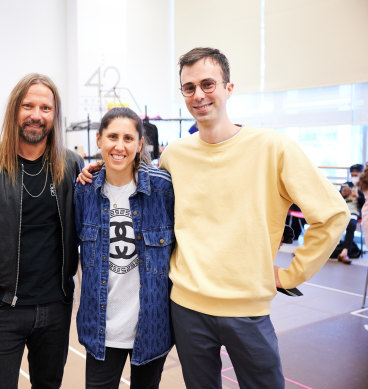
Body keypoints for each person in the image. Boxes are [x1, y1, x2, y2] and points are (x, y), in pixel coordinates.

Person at [79, 47, 349, 389]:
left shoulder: (273, 148)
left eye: (208, 84)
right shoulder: (176, 154)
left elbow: (333, 214)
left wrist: (294, 273)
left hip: (247, 309)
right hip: (186, 308)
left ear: (229, 88)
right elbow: (140, 185)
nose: (199, 95)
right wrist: (99, 169)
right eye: (189, 88)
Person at [0, 73, 84, 388]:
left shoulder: (71, 166)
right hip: (2, 307)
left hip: (56, 305)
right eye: (28, 106)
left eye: (45, 108)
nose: (36, 115)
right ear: (15, 110)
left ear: (55, 116)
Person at [74, 107, 174, 388]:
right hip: (101, 329)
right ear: (99, 140)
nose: (119, 146)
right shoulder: (84, 191)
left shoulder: (163, 190)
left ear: (140, 144)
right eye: (112, 136)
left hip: (152, 328)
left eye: (128, 138)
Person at [331, 163, 365, 263]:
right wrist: (343, 195)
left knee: (351, 225)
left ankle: (344, 253)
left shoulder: (364, 187)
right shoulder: (346, 184)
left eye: (356, 175)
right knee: (327, 221)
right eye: (352, 175)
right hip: (342, 210)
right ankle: (315, 249)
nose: (354, 177)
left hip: (354, 212)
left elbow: (364, 205)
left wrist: (358, 197)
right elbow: (337, 200)